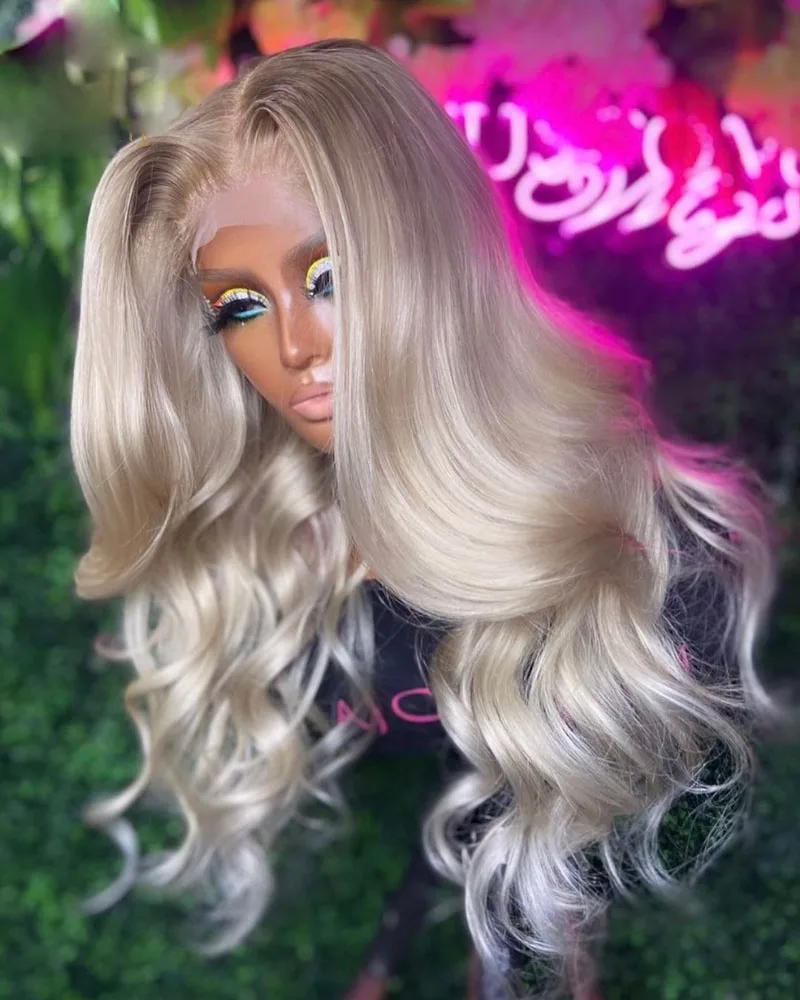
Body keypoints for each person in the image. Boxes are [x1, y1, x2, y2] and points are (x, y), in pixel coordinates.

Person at [68, 39, 781, 999]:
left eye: (328, 277)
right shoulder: (277, 544)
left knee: (527, 832)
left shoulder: (638, 552)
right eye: (239, 305)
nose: (294, 347)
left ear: (432, 262)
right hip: (458, 776)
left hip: (540, 769)